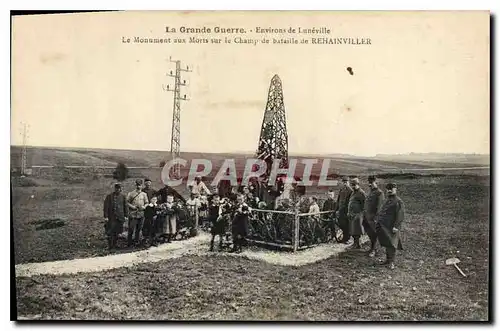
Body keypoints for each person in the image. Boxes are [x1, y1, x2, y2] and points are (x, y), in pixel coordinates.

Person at [375, 183, 405, 270]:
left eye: (391, 189)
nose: (389, 190)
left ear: (395, 189)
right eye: (388, 189)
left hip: (391, 227)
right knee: (387, 243)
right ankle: (388, 260)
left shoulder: (398, 201)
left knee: (392, 244)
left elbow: (400, 215)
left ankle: (391, 262)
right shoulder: (387, 200)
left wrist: (396, 226)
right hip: (384, 226)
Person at [363, 175, 385, 257]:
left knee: (374, 234)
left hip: (373, 218)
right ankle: (371, 248)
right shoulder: (371, 192)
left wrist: (376, 218)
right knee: (369, 233)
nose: (370, 184)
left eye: (371, 183)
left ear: (376, 183)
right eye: (369, 183)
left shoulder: (379, 193)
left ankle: (374, 250)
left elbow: (379, 207)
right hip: (367, 217)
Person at [103, 183, 128, 250]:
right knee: (110, 232)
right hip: (112, 218)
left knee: (118, 232)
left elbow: (125, 206)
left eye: (119, 189)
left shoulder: (123, 196)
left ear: (121, 189)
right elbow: (106, 207)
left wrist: (126, 215)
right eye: (117, 188)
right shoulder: (109, 196)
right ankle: (110, 245)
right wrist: (106, 216)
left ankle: (115, 244)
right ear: (115, 189)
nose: (118, 190)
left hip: (120, 217)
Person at [126, 179, 149, 247]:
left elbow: (147, 202)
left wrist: (144, 207)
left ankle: (136, 241)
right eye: (138, 185)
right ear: (135, 185)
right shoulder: (131, 193)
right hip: (133, 214)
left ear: (142, 186)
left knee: (139, 229)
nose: (139, 186)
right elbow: (127, 202)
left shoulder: (144, 194)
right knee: (131, 228)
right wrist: (132, 207)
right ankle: (129, 242)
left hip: (141, 214)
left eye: (140, 185)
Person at [347, 177, 366, 249]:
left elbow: (364, 204)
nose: (353, 186)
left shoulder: (361, 193)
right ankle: (355, 243)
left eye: (354, 185)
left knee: (357, 229)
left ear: (358, 184)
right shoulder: (353, 192)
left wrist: (360, 213)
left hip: (358, 214)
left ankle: (357, 244)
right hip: (352, 214)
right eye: (352, 185)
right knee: (352, 229)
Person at [336, 176, 353, 243]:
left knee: (346, 225)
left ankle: (347, 239)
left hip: (346, 211)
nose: (345, 183)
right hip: (341, 210)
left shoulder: (350, 191)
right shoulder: (341, 190)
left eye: (346, 182)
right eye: (344, 182)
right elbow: (338, 200)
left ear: (348, 182)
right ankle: (344, 237)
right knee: (341, 224)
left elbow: (350, 202)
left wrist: (349, 211)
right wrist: (336, 209)